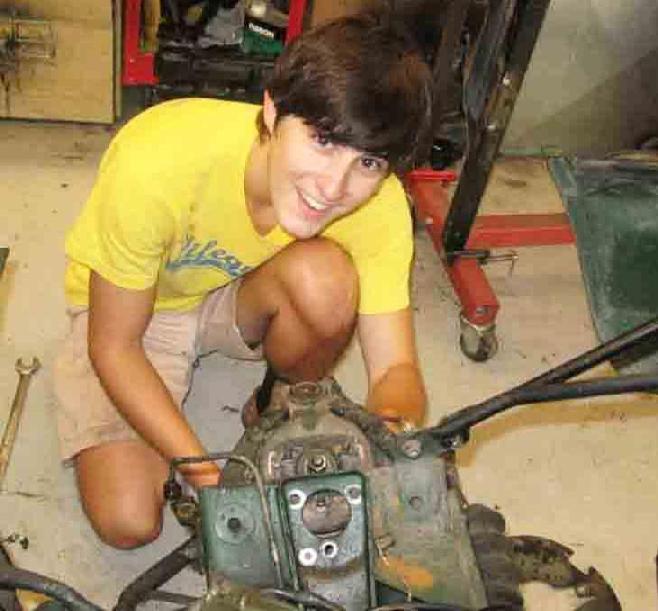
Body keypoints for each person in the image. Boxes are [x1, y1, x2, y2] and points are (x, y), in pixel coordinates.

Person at [53, 6, 437, 550]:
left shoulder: (380, 204)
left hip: (239, 292)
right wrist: (217, 485)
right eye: (323, 141)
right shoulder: (156, 161)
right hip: (142, 308)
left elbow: (396, 367)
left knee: (326, 282)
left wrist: (388, 438)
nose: (334, 187)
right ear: (272, 110)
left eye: (369, 163)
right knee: (128, 521)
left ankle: (280, 403)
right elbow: (114, 347)